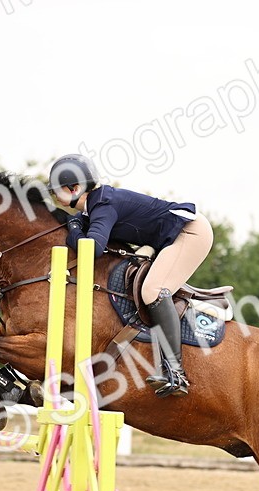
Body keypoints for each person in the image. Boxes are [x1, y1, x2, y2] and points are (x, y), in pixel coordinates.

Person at [47, 154, 213, 398]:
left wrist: (73, 227)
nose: (53, 197)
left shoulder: (102, 205)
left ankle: (176, 373)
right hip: (172, 237)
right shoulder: (95, 205)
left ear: (75, 188)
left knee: (153, 291)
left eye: (57, 191)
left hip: (190, 233)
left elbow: (91, 249)